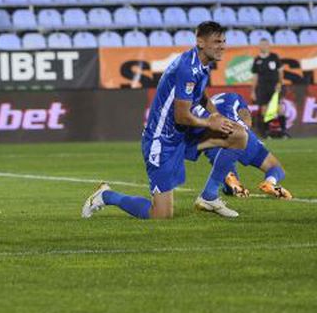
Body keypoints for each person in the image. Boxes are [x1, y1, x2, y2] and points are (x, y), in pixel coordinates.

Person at [82, 21, 248, 221]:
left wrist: (215, 114)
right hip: (162, 140)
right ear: (200, 42)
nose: (222, 46)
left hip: (183, 133)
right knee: (160, 215)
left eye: (223, 41)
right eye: (216, 42)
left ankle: (209, 197)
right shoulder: (187, 68)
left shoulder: (201, 63)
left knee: (238, 135)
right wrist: (209, 123)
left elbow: (200, 93)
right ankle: (106, 196)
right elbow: (181, 116)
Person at [195, 92, 294, 200]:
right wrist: (249, 137)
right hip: (234, 130)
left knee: (226, 175)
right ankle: (270, 182)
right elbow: (246, 118)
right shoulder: (233, 96)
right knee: (274, 167)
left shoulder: (199, 107)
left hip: (208, 137)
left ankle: (229, 177)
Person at [251, 38, 286, 137]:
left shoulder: (274, 57)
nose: (264, 46)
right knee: (264, 109)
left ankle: (283, 132)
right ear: (259, 46)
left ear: (268, 46)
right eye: (262, 45)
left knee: (279, 108)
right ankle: (266, 133)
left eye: (265, 44)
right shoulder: (257, 60)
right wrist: (253, 91)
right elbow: (255, 76)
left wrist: (280, 83)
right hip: (262, 88)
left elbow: (280, 72)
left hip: (274, 87)